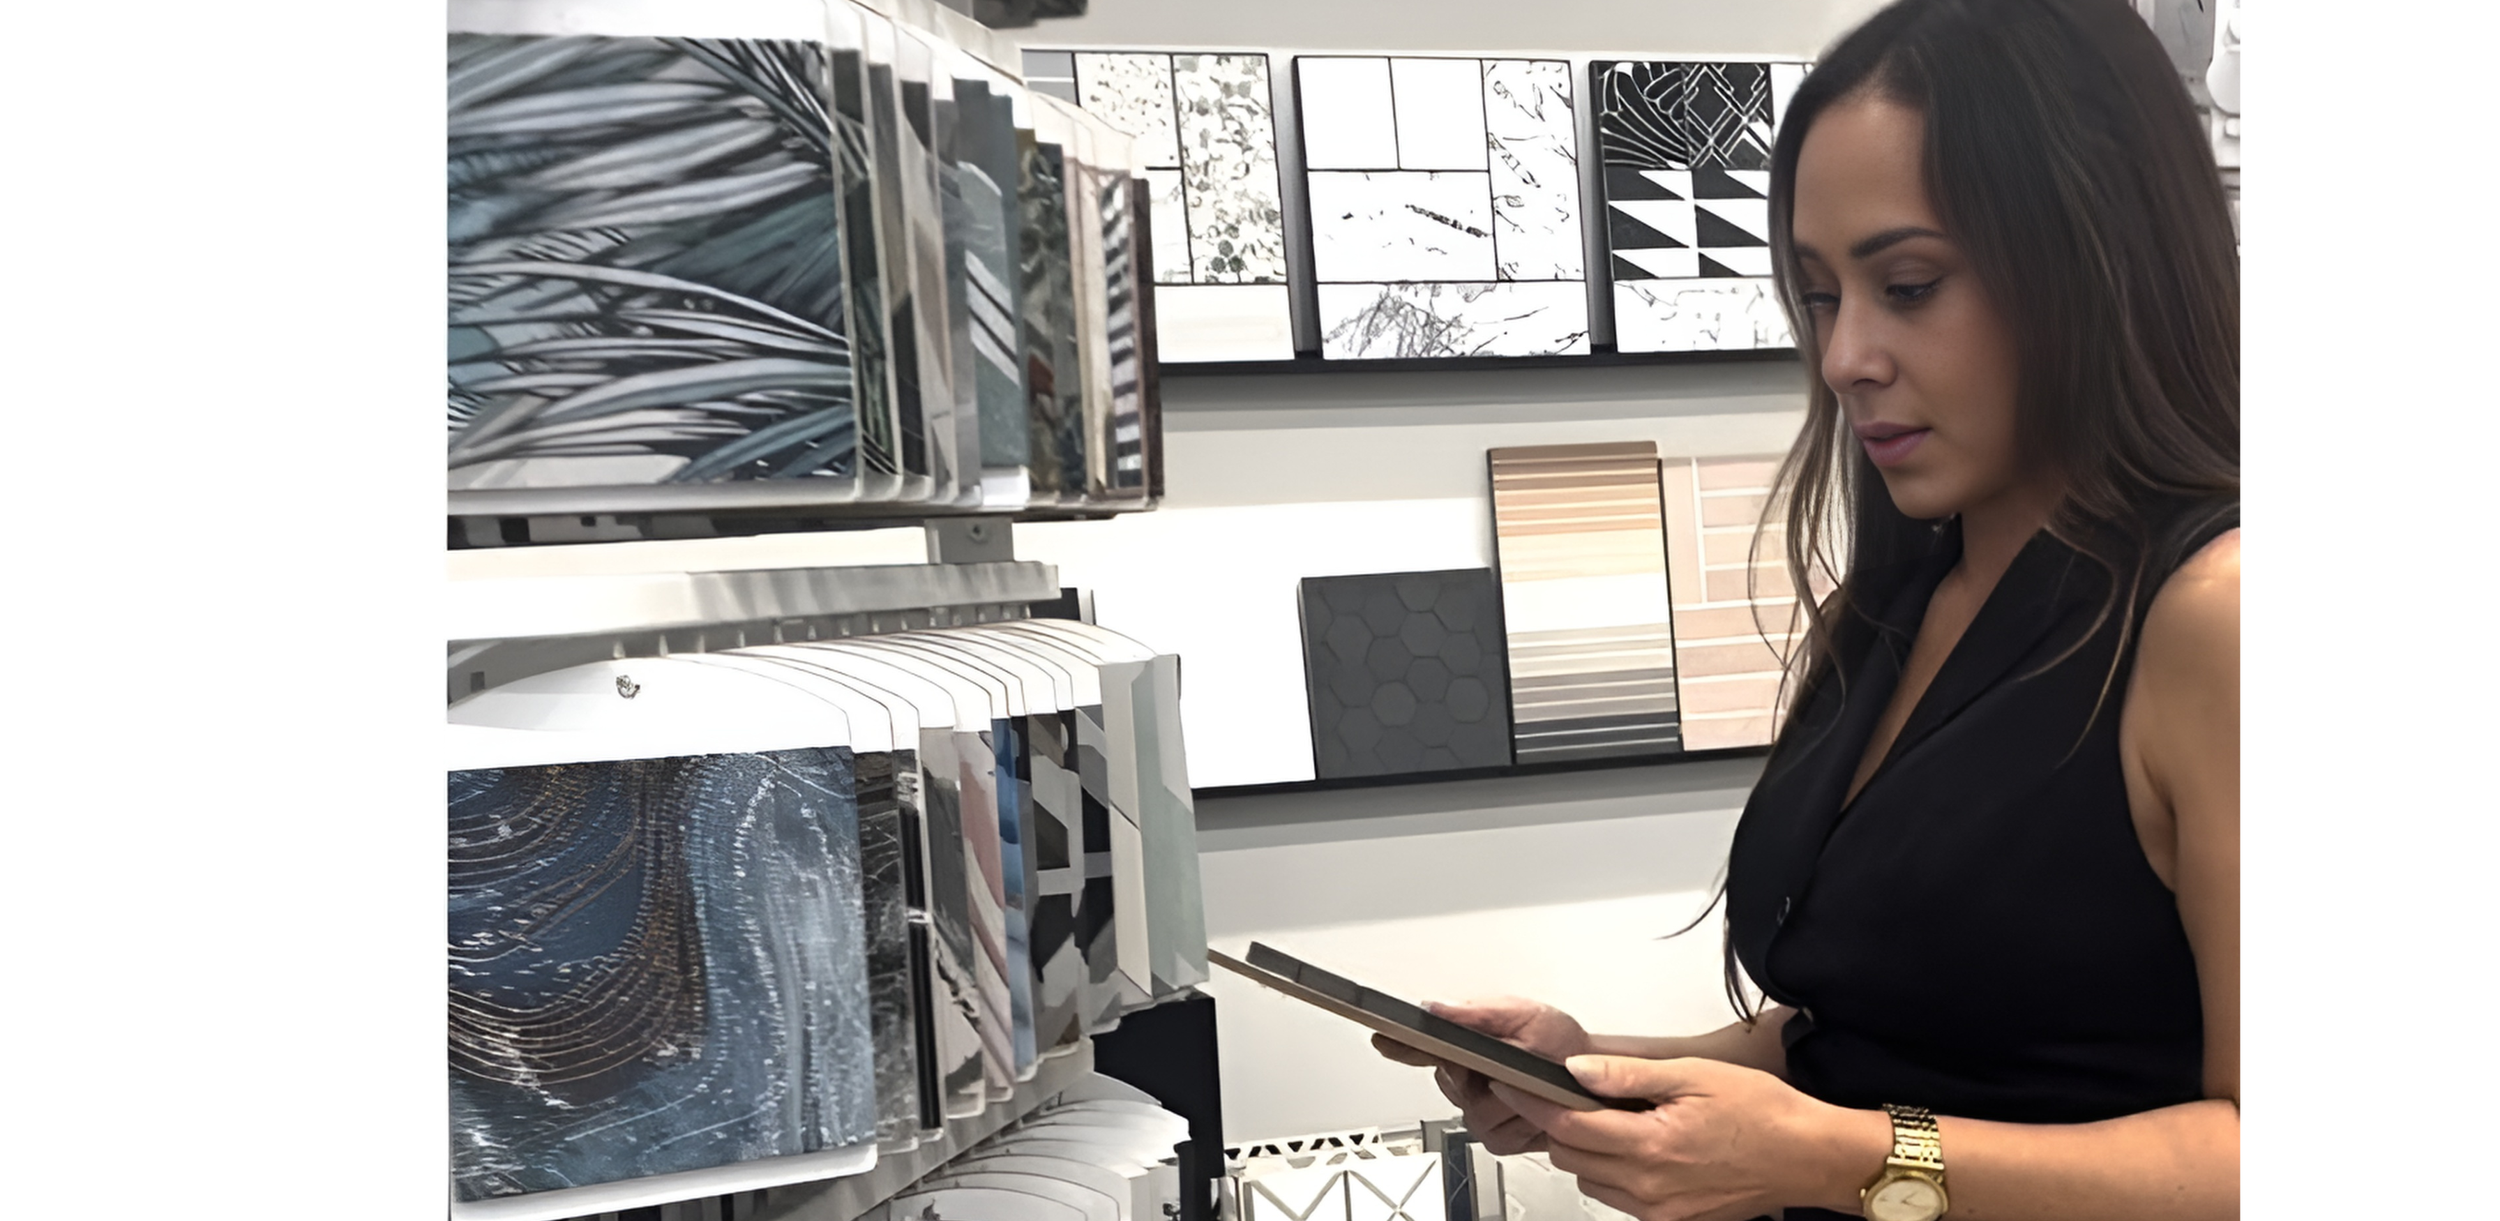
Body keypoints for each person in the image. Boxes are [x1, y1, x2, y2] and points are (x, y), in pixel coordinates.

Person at [1373, 1, 2240, 1218]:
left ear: (2093, 259)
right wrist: (1595, 1072)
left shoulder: (2216, 619)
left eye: (1909, 286)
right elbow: (1868, 1037)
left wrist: (1836, 1160)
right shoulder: (1901, 608)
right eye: (1822, 296)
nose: (1843, 359)